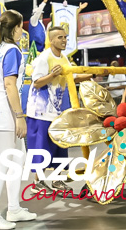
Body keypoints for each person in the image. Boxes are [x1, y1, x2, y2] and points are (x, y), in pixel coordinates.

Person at [0, 10, 37, 229]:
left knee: (17, 159)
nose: (23, 30)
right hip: (5, 111)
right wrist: (19, 116)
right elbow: (10, 84)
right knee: (3, 164)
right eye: (21, 26)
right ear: (15, 28)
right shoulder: (12, 50)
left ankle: (13, 208)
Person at [26, 25, 93, 192]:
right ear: (51, 40)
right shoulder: (44, 58)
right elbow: (36, 82)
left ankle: (56, 181)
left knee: (60, 147)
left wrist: (94, 74)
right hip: (41, 112)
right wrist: (52, 75)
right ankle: (38, 183)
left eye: (65, 37)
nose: (64, 40)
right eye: (60, 38)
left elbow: (72, 77)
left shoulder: (64, 58)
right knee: (41, 148)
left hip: (57, 112)